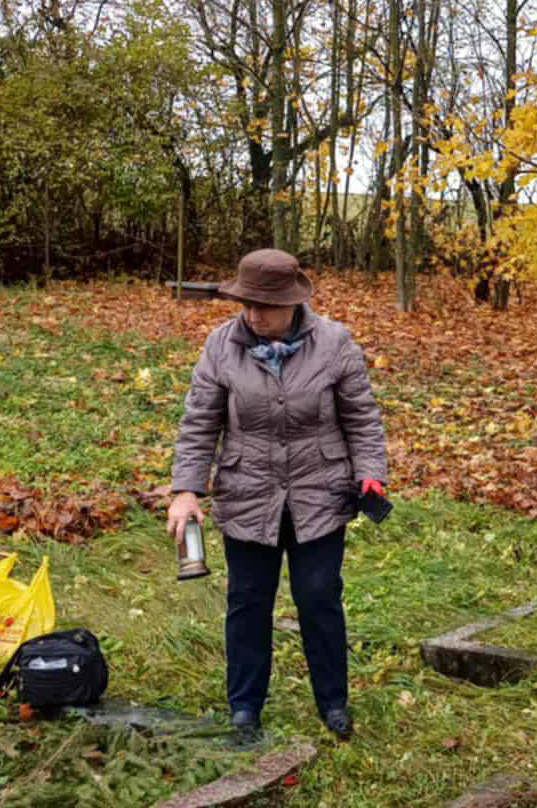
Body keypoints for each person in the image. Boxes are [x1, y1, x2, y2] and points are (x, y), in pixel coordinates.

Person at [166, 249, 389, 743]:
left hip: (320, 495)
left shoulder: (334, 343)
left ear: (292, 303)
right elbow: (200, 423)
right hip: (248, 494)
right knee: (247, 601)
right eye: (246, 303)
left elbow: (362, 418)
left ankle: (333, 702)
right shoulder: (221, 346)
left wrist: (371, 474)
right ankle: (244, 707)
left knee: (319, 599)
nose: (252, 314)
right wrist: (185, 489)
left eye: (264, 305)